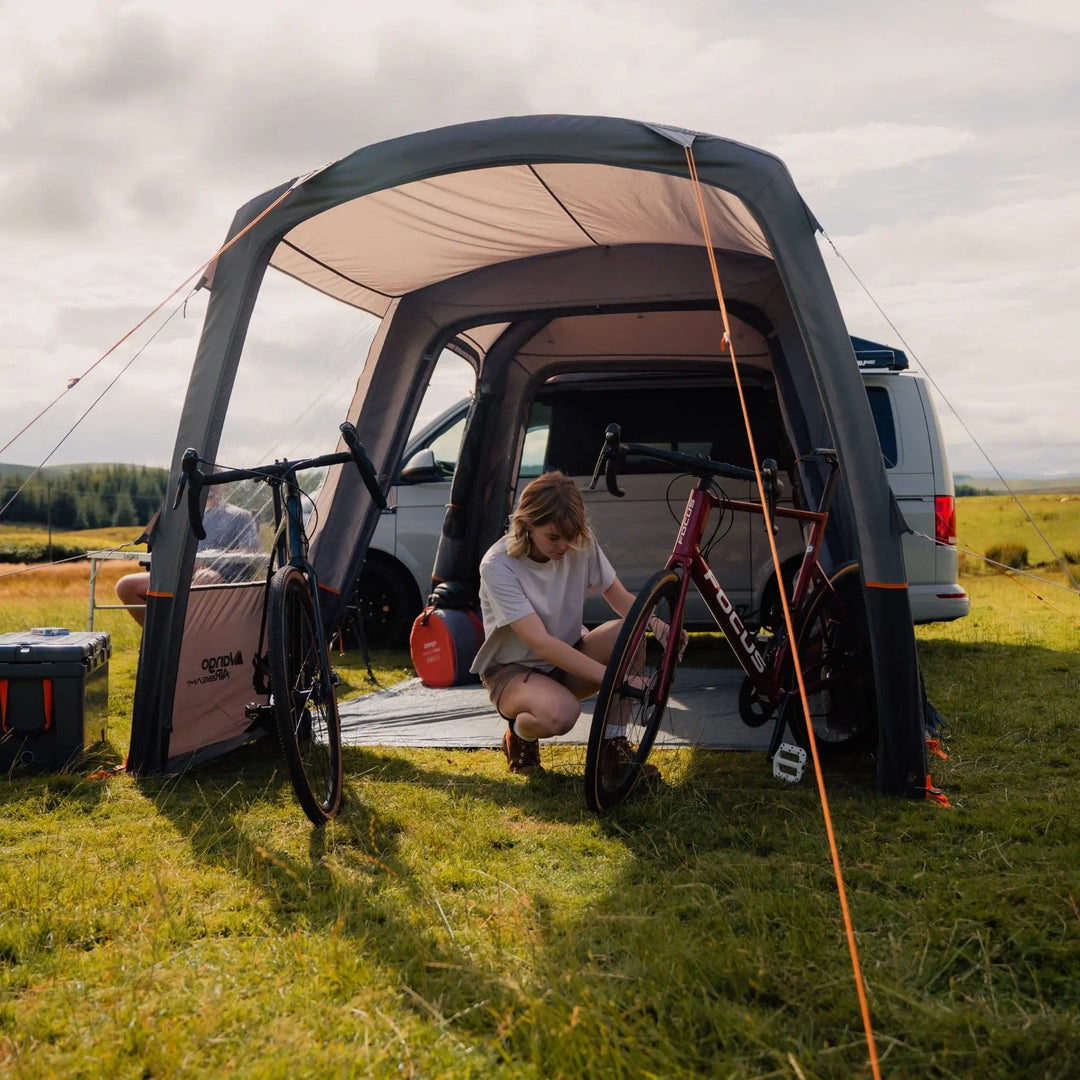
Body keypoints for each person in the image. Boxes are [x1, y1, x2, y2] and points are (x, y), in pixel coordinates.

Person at [470, 470, 666, 781]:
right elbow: (542, 644)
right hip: (513, 671)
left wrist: (657, 625)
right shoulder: (498, 565)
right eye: (553, 537)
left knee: (630, 633)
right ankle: (520, 736)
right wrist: (618, 679)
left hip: (569, 655)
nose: (564, 546)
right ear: (527, 524)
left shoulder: (580, 539)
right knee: (562, 715)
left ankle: (611, 751)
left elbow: (616, 593)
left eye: (571, 535)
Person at [115, 487, 260, 627]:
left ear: (225, 483)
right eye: (204, 477)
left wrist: (211, 559)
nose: (210, 484)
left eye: (215, 477)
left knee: (207, 578)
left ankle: (185, 638)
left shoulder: (239, 515)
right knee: (126, 586)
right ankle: (159, 638)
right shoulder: (184, 515)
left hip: (221, 575)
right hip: (184, 572)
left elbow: (251, 552)